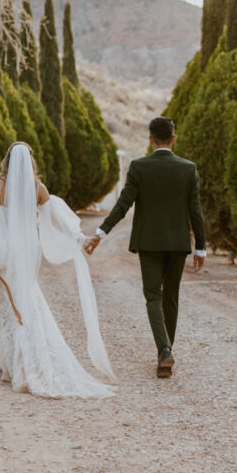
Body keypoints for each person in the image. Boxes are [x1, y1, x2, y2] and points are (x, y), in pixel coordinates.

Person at [0, 142, 116, 398]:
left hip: (3, 253)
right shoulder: (38, 189)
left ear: (7, 161)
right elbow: (58, 220)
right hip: (28, 251)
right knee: (24, 297)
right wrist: (80, 239)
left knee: (10, 303)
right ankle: (14, 361)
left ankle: (19, 364)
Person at [85, 117, 206, 378]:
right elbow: (195, 211)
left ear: (150, 139)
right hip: (177, 244)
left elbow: (122, 205)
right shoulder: (188, 169)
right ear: (174, 139)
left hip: (149, 243)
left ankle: (164, 350)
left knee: (153, 295)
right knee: (171, 297)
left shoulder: (139, 167)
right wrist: (201, 248)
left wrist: (99, 233)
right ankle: (166, 351)